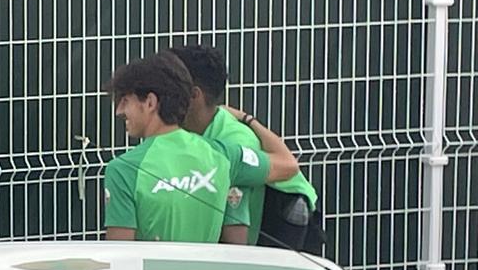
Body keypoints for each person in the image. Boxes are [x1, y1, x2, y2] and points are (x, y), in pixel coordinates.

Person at [102, 51, 301, 245]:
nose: (119, 111)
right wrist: (246, 119)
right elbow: (289, 165)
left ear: (151, 102)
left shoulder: (122, 170)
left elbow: (122, 258)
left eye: (125, 101)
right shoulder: (225, 155)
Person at [169, 44, 323, 252]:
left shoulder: (235, 143)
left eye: (168, 85)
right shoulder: (190, 128)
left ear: (194, 95)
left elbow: (237, 239)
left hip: (281, 221)